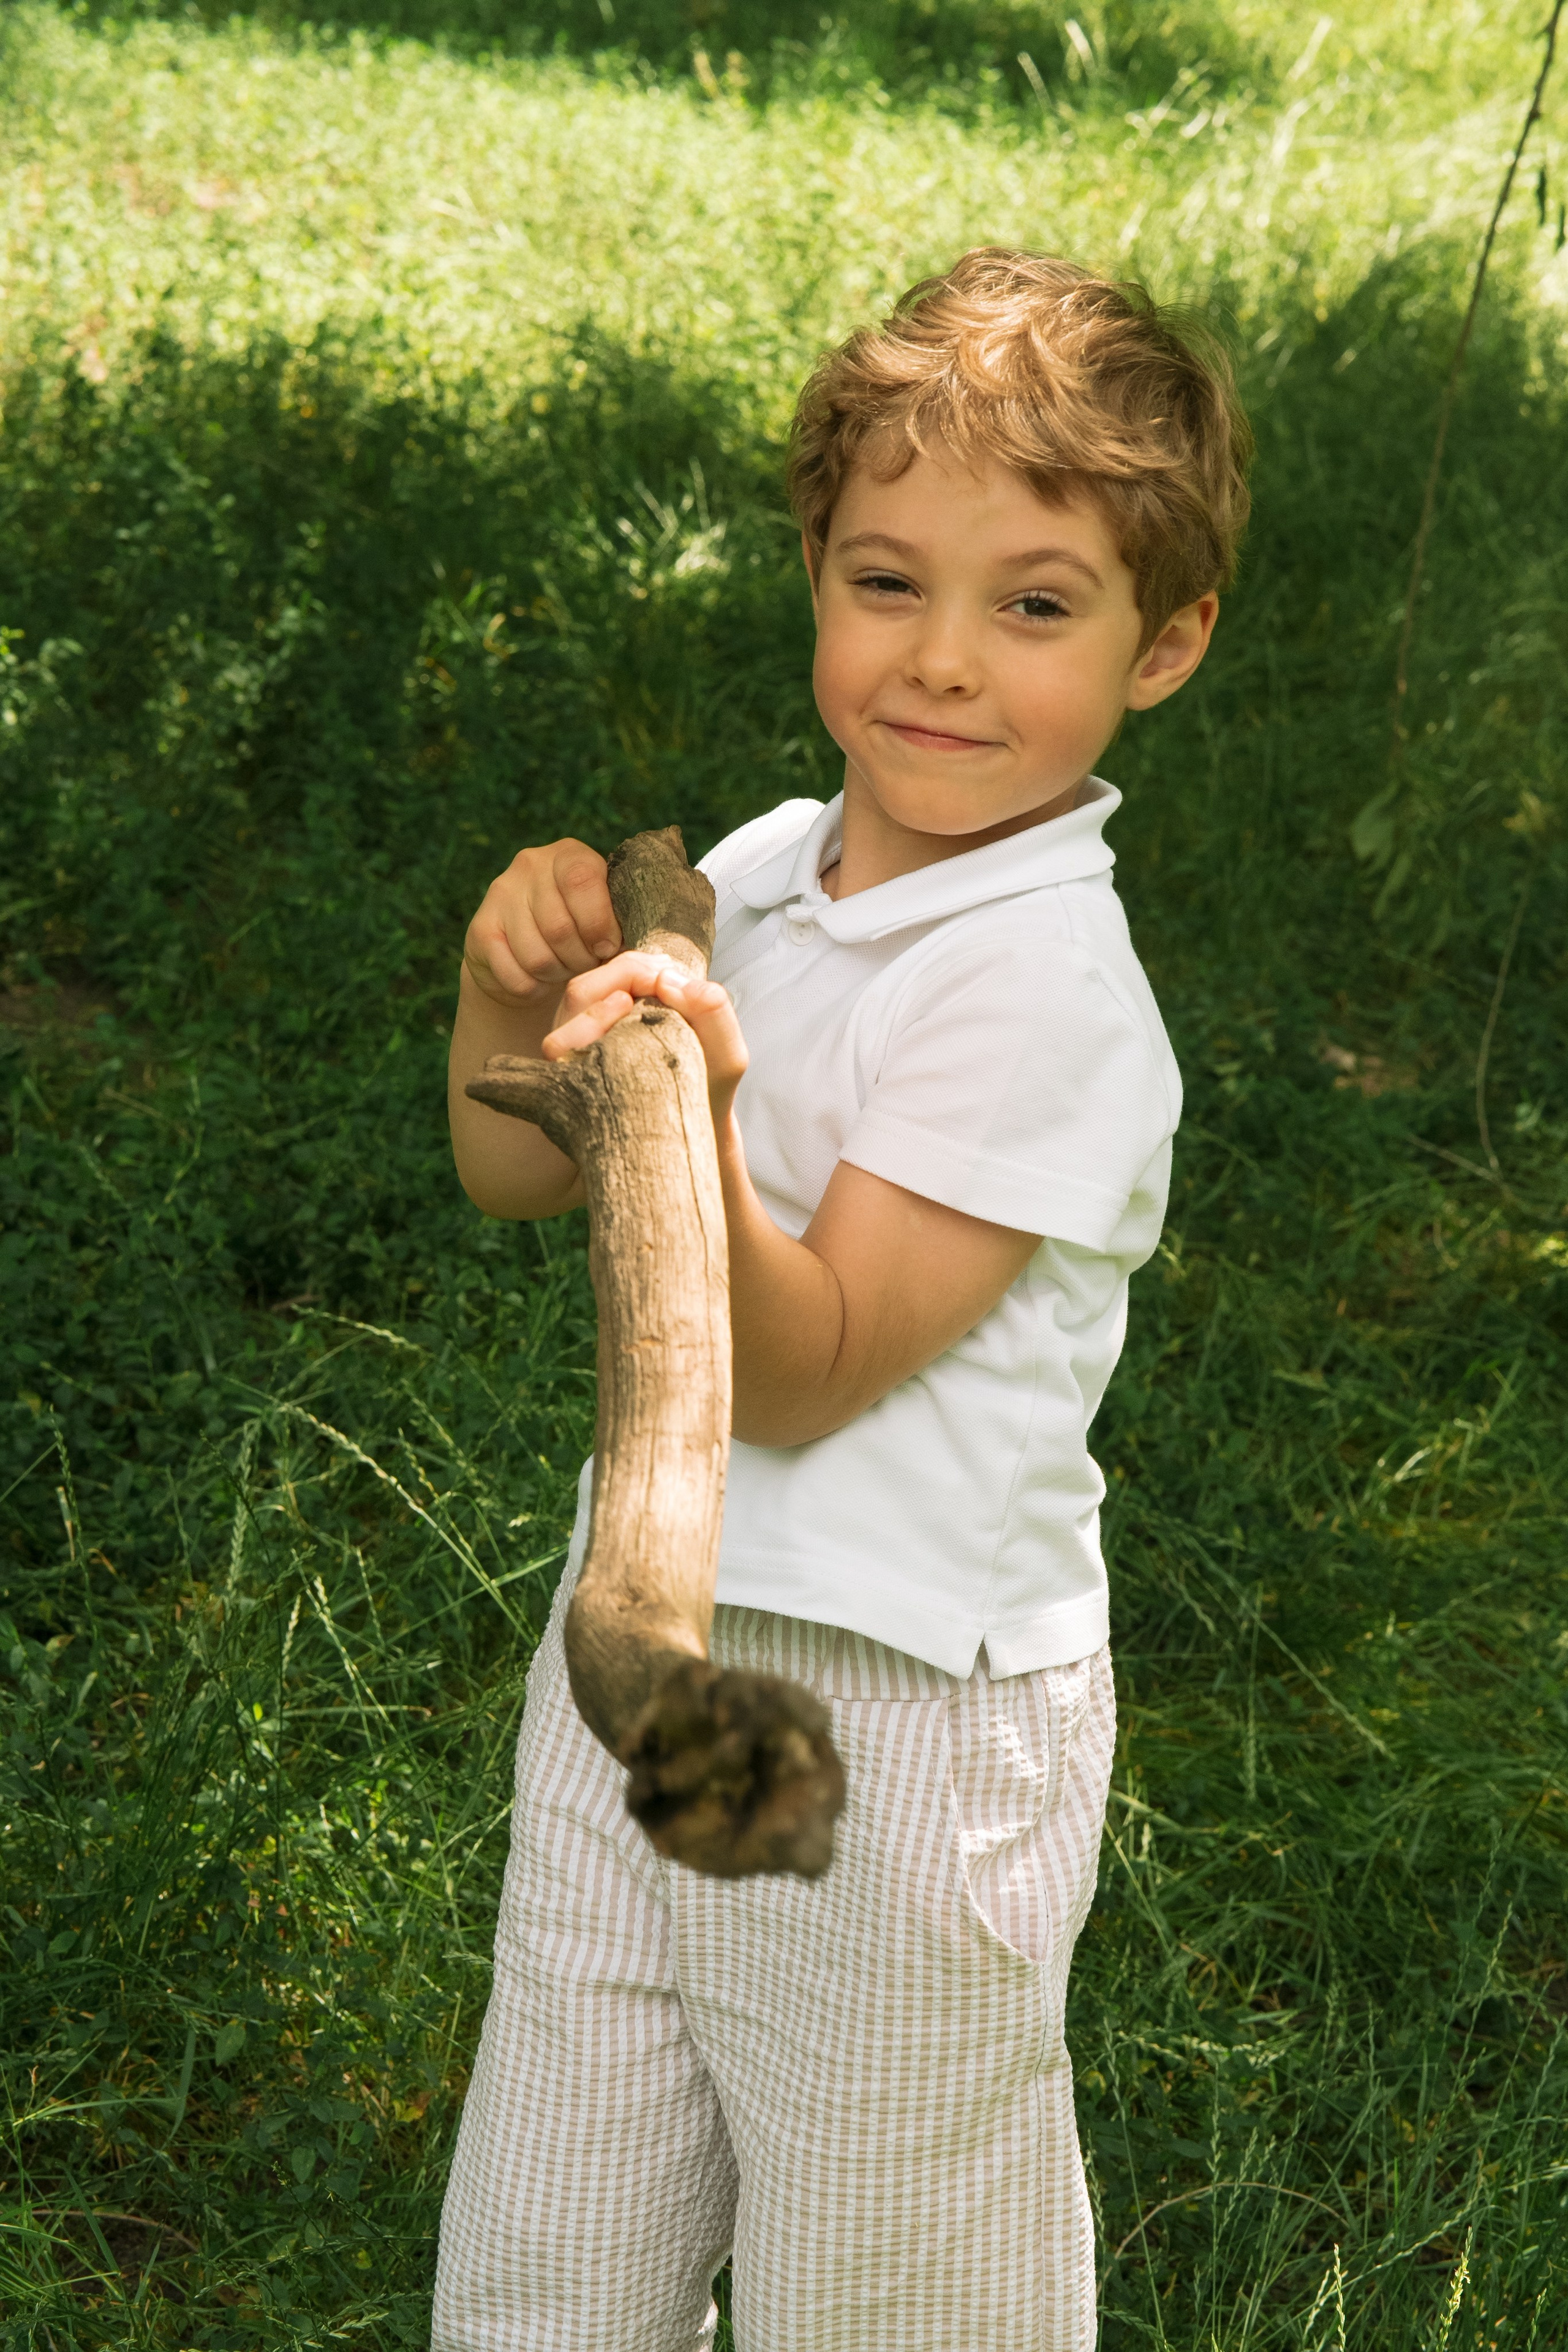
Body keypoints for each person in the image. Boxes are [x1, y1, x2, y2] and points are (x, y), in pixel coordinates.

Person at [433, 246, 1251, 2352]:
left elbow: (787, 1375)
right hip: (644, 1660)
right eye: (888, 583)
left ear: (1165, 649)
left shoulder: (1047, 990)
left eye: (1036, 606)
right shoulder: (788, 863)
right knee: (554, 2238)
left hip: (910, 1730)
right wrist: (517, 1001)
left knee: (891, 2284)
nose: (945, 664)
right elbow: (517, 1167)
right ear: (815, 564)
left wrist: (687, 1101)